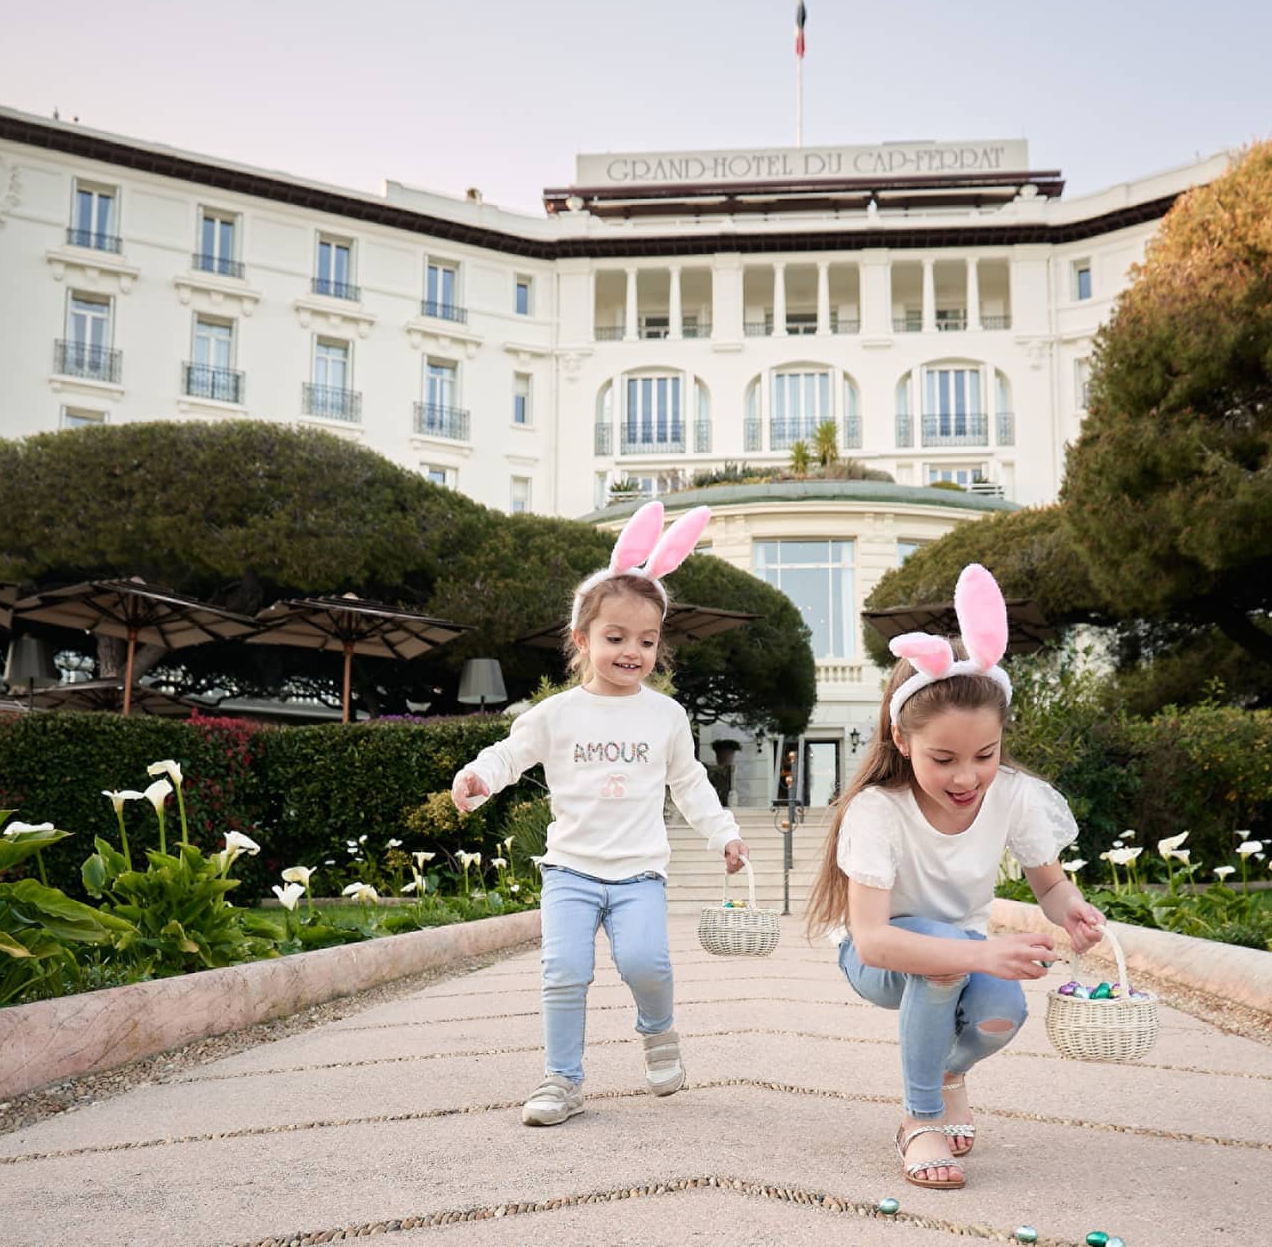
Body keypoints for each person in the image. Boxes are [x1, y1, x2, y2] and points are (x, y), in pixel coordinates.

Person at [803, 563, 1104, 1190]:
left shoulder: (1015, 797)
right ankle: (921, 1118)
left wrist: (1070, 905)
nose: (966, 777)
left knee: (1002, 1016)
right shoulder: (878, 812)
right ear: (902, 739)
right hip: (881, 959)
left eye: (984, 756)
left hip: (967, 951)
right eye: (944, 759)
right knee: (944, 964)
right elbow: (874, 940)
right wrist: (984, 952)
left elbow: (1047, 882)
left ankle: (947, 1074)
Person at [451, 500, 747, 1127]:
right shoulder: (556, 714)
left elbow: (688, 782)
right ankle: (562, 1081)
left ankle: (658, 1029)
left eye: (646, 640)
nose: (631, 652)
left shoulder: (665, 716)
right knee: (563, 971)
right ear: (583, 640)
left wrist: (724, 832)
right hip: (571, 872)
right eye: (615, 639)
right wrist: (477, 778)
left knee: (647, 963)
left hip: (639, 873)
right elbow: (511, 754)